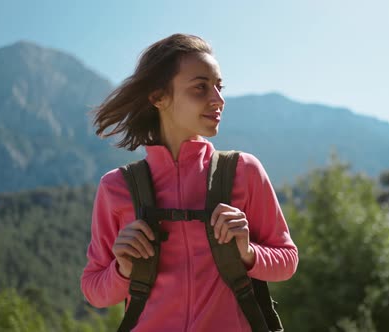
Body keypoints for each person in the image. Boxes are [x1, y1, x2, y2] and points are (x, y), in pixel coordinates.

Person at [80, 33, 298, 331]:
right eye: (200, 88)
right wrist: (123, 268)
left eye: (219, 87)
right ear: (158, 97)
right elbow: (94, 290)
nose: (218, 100)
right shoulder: (116, 187)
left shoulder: (244, 171)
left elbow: (287, 260)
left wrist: (248, 252)